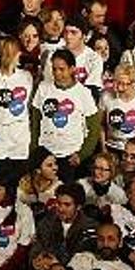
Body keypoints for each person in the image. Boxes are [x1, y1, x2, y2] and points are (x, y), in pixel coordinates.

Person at [34, 49, 100, 183]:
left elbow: (94, 129)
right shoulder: (43, 88)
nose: (57, 73)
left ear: (72, 69)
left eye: (62, 69)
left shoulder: (83, 93)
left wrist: (81, 155)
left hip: (70, 157)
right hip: (45, 153)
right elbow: (35, 122)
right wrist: (35, 150)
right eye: (54, 69)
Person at [0, 34, 34, 182]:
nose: (20, 54)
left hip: (21, 142)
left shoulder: (26, 77)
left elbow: (29, 108)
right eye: (16, 52)